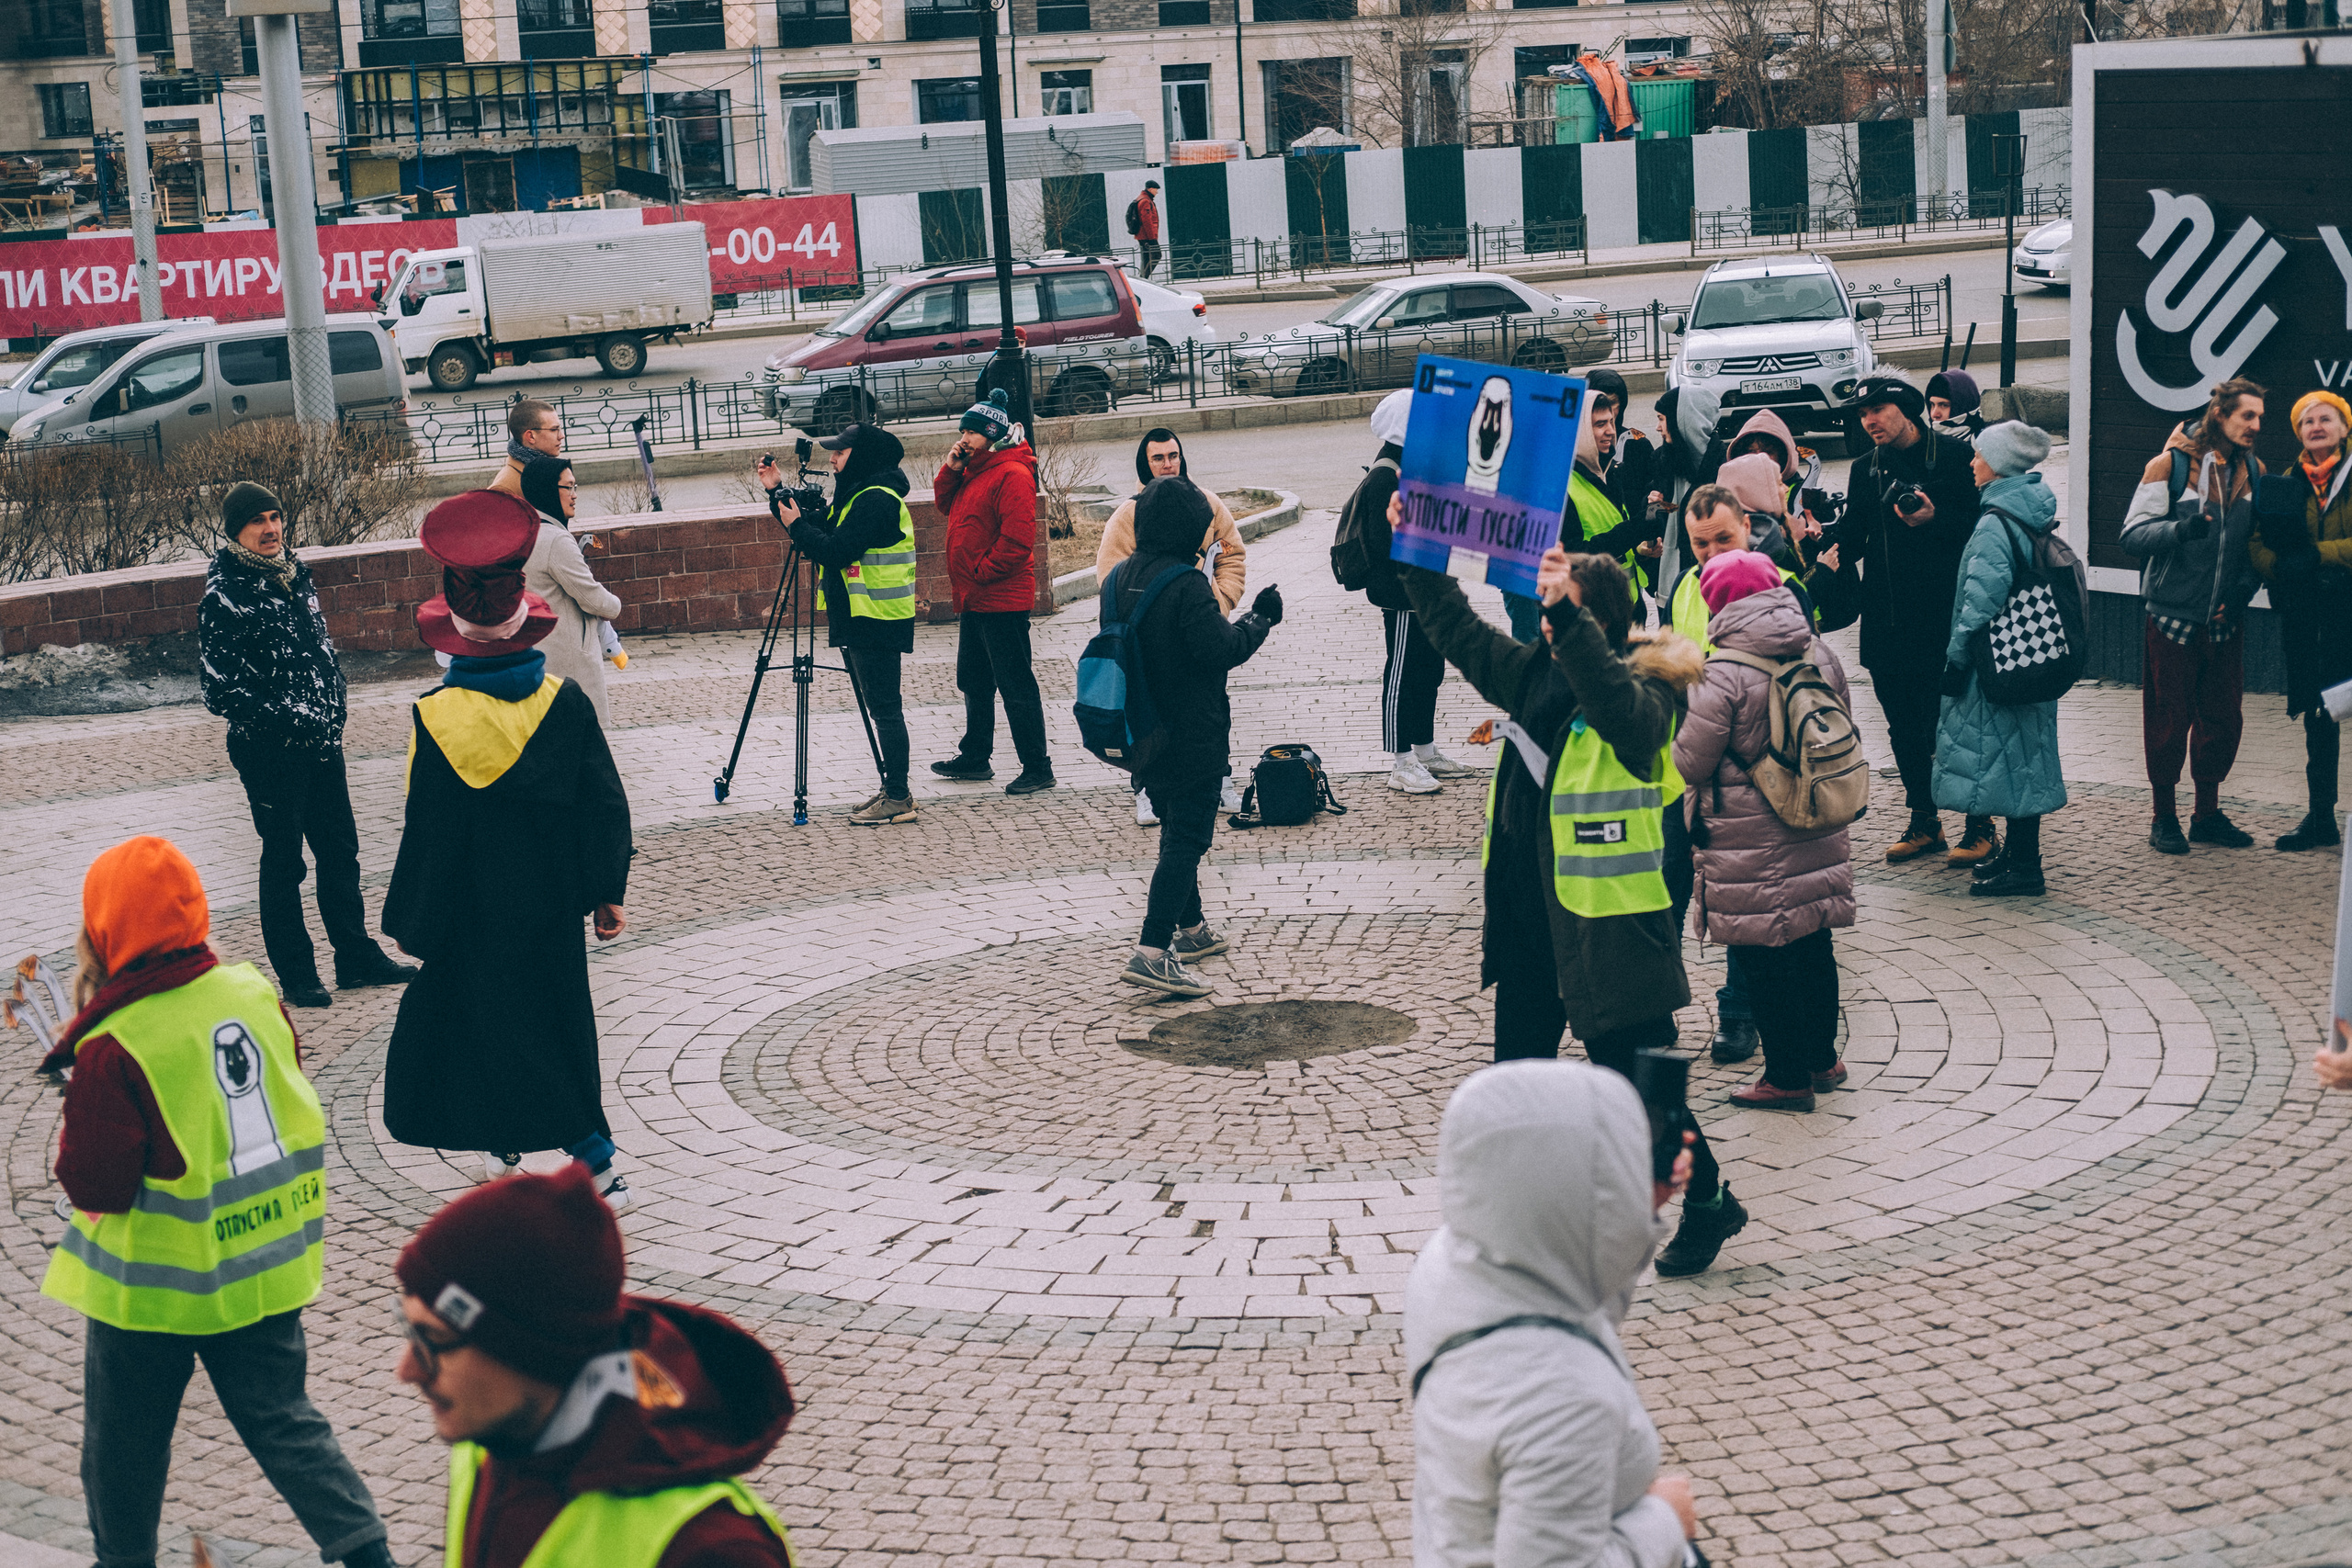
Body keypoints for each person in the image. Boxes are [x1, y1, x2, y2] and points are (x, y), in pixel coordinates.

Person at [42, 836, 400, 1568]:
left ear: (103, 930)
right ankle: (370, 1554)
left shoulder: (115, 1043)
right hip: (261, 1263)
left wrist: (80, 1100)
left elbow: (97, 1186)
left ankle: (124, 1560)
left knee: (125, 1449)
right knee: (286, 1423)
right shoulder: (250, 991)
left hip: (152, 1293)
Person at [1395, 538, 1745, 1275]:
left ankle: (1708, 1197)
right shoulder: (1535, 674)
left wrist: (1566, 618)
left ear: (1603, 625)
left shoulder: (1651, 692)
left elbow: (1619, 711)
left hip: (1609, 926)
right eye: (1553, 615)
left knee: (1646, 1092)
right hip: (1531, 921)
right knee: (1513, 1080)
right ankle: (1515, 1228)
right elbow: (1459, 633)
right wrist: (1419, 556)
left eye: (1569, 615)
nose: (1552, 628)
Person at [381, 491, 637, 1211]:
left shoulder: (435, 719)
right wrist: (605, 889)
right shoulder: (563, 701)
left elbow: (425, 826)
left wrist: (417, 918)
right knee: (556, 1020)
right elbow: (603, 802)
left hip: (470, 909)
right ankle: (524, 1143)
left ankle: (588, 1154)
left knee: (488, 1025)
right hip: (550, 902)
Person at [395, 1165, 795, 1567]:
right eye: (409, 1330)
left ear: (533, 1348)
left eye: (436, 1340)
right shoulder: (486, 1444)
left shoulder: (711, 1550)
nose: (407, 1370)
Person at [1407, 1059, 1705, 1567]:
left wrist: (1633, 1210)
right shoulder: (1562, 1397)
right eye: (1621, 1168)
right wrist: (1663, 1521)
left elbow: (1574, 1273)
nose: (1674, 1182)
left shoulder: (1454, 1263)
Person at [198, 480, 415, 1010]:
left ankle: (355, 957)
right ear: (236, 532)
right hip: (270, 751)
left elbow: (319, 651)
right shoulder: (225, 594)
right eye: (258, 522)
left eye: (275, 518)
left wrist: (333, 704)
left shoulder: (295, 577)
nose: (271, 529)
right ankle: (297, 972)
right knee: (283, 862)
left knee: (340, 851)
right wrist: (291, 718)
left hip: (320, 742)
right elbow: (220, 689)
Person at [1673, 551, 1855, 1112]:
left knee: (1766, 953)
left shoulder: (1722, 673)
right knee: (1813, 937)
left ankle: (1786, 1076)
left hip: (1750, 836)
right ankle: (1824, 1059)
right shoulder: (1818, 652)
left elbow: (1690, 763)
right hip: (1816, 821)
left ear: (1720, 603)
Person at [1657, 479, 1818, 1070]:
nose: (1711, 553)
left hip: (1754, 785)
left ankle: (1738, 1014)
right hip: (1687, 777)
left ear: (1747, 527)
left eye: (1722, 538)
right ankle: (1658, 1005)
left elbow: (1802, 687)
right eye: (1699, 544)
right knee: (1667, 890)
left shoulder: (1785, 587)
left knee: (1745, 907)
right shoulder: (1681, 588)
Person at [1114, 478, 1283, 998]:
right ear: (1187, 527)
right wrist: (1260, 619)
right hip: (1191, 734)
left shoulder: (1119, 576)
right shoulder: (1185, 584)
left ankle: (1192, 931)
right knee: (1186, 839)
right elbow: (1221, 648)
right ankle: (1151, 950)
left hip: (1142, 729)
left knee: (1173, 827)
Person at [1832, 373, 1985, 865]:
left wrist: (1935, 518)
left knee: (1954, 727)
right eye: (1861, 414)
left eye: (1877, 410)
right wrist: (1814, 539)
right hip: (1887, 621)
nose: (1868, 421)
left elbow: (1981, 534)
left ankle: (1979, 824)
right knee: (1903, 727)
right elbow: (1854, 535)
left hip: (1944, 622)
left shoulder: (1957, 458)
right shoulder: (1865, 468)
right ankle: (1924, 821)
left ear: (1906, 409)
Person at [2119, 378, 2267, 855]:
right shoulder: (2170, 464)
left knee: (2223, 719)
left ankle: (2206, 814)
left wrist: (2243, 590)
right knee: (2168, 719)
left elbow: (2255, 549)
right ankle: (2164, 817)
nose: (2256, 425)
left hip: (2225, 620)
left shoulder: (2255, 472)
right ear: (2220, 415)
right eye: (2248, 416)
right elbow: (2133, 535)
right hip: (2172, 616)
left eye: (2260, 417)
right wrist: (2180, 530)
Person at [1932, 422, 2067, 898]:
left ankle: (2026, 867)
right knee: (2023, 758)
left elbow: (1979, 602)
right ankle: (2017, 855)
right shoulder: (2027, 510)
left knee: (2009, 760)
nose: (1971, 462)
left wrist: (1954, 659)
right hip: (2028, 655)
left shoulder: (1995, 521)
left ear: (2000, 464)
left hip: (1996, 663)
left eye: (1978, 455)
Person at [764, 423, 920, 826]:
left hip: (877, 620)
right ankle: (894, 788)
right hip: (864, 618)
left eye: (840, 453)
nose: (832, 459)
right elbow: (818, 522)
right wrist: (776, 492)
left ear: (862, 457)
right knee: (881, 707)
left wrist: (797, 525)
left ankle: (899, 797)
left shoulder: (876, 501)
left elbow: (832, 550)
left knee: (886, 709)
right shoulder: (857, 495)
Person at [1098, 428, 1250, 823]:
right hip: (1149, 638)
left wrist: (1220, 602)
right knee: (1148, 712)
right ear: (1143, 465)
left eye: (1173, 456)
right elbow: (1111, 576)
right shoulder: (1129, 515)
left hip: (1202, 625)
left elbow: (1232, 556)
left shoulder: (1208, 505)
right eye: (1158, 458)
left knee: (1212, 709)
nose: (1168, 464)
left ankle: (1220, 780)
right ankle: (1145, 789)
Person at [931, 389, 1057, 795]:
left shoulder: (1013, 474)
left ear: (994, 435)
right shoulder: (975, 469)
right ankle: (975, 757)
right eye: (963, 430)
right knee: (975, 680)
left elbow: (1017, 543)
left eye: (973, 432)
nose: (964, 438)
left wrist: (981, 573)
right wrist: (951, 469)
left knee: (1016, 684)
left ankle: (1038, 767)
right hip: (974, 598)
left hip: (999, 599)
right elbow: (944, 504)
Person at [1351, 389, 1473, 793]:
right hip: (1402, 598)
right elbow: (1385, 547)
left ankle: (1425, 749)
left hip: (1425, 596)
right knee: (1402, 674)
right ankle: (1400, 762)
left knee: (1428, 672)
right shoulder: (1385, 476)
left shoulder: (1412, 469)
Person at [2247, 389, 2351, 852]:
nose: (2316, 427)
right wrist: (2278, 565)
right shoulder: (2284, 482)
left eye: (2326, 419)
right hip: (2308, 614)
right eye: (2306, 422)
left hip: (2349, 607)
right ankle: (2320, 818)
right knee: (2319, 712)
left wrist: (2318, 555)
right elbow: (2255, 541)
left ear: (2345, 428)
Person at [521, 456, 626, 729]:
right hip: (568, 658)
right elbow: (593, 598)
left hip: (538, 652)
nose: (575, 495)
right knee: (581, 738)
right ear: (548, 490)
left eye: (575, 486)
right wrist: (615, 604)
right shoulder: (556, 540)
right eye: (568, 487)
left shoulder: (525, 533)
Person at [492, 399, 563, 498]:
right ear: (531, 437)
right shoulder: (504, 490)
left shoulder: (539, 472)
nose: (561, 436)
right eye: (554, 430)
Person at [1927, 368, 1985, 439]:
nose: (1934, 414)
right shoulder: (1925, 444)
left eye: (1944, 405)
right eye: (1932, 405)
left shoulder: (1988, 444)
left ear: (1964, 406)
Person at [1129, 178, 1163, 278]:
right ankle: (1144, 278)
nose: (1157, 192)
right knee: (1157, 255)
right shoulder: (1145, 201)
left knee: (1147, 258)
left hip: (1143, 235)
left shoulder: (1142, 198)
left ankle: (1142, 279)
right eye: (1156, 189)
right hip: (1146, 236)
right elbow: (1147, 221)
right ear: (1151, 189)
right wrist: (1152, 238)